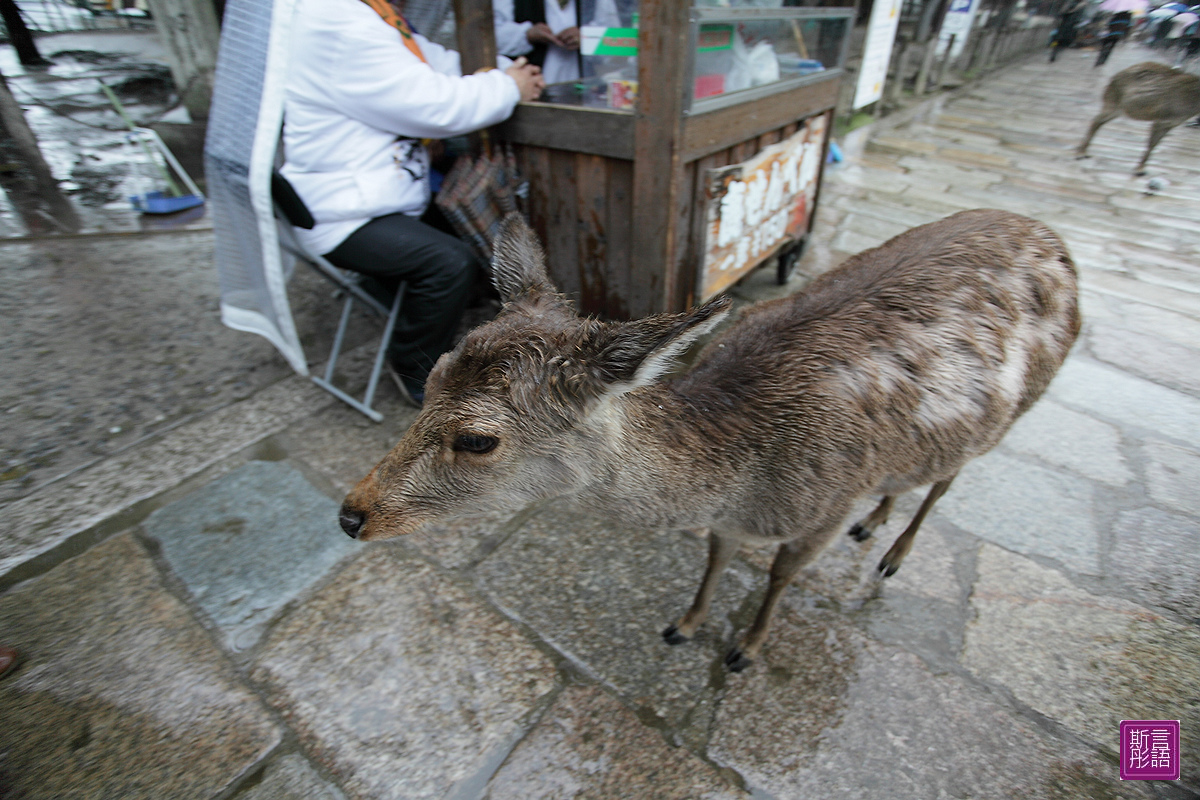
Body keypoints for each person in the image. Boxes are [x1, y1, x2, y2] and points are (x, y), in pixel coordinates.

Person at [280, 0, 545, 406]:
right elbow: (433, 105)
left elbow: (433, 62)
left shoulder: (371, 15)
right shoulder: (338, 18)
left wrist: (509, 69)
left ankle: (401, 298)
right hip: (343, 212)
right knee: (448, 262)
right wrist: (507, 85)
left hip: (370, 195)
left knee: (459, 229)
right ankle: (412, 371)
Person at [493, 0, 621, 85]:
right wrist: (527, 34)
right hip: (529, 93)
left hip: (582, 93)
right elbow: (491, 38)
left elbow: (617, 42)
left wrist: (586, 37)